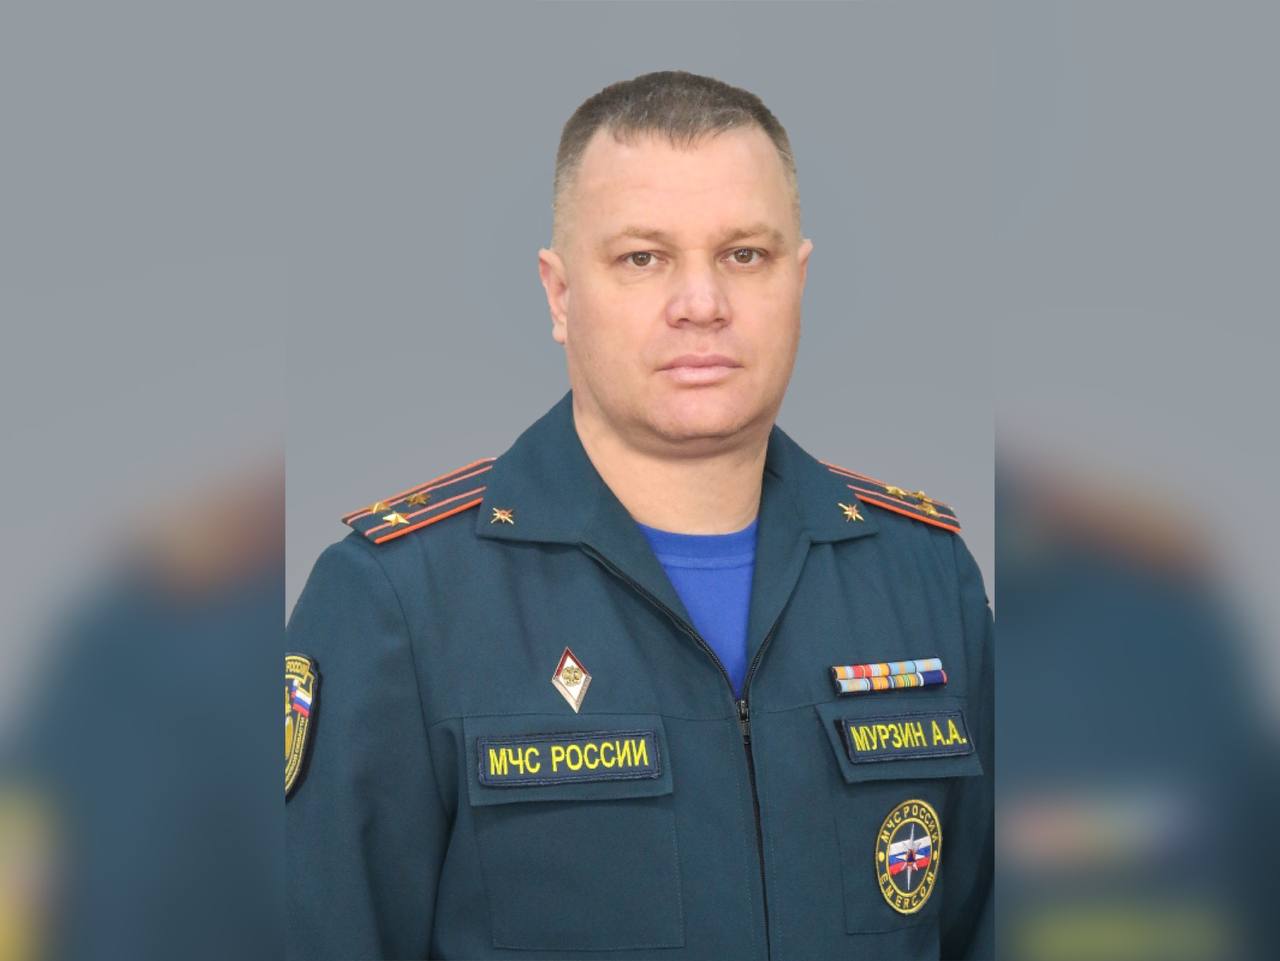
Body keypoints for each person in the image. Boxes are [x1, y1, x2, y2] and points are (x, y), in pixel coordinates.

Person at [286, 70, 993, 960]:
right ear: (559, 294)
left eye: (745, 255)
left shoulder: (924, 579)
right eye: (642, 258)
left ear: (798, 278)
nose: (702, 304)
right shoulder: (397, 602)